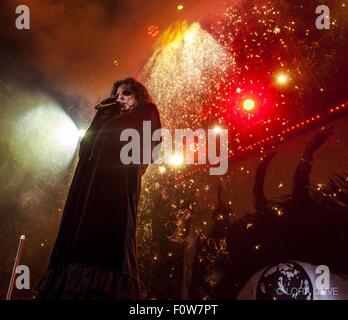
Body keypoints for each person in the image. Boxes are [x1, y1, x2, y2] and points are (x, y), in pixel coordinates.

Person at [35, 78, 161, 300]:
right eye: (117, 95)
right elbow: (86, 149)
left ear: (139, 97)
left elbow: (148, 143)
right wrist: (100, 117)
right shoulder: (109, 118)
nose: (120, 98)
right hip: (89, 192)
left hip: (116, 190)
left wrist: (114, 118)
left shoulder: (146, 112)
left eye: (127, 94)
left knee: (109, 241)